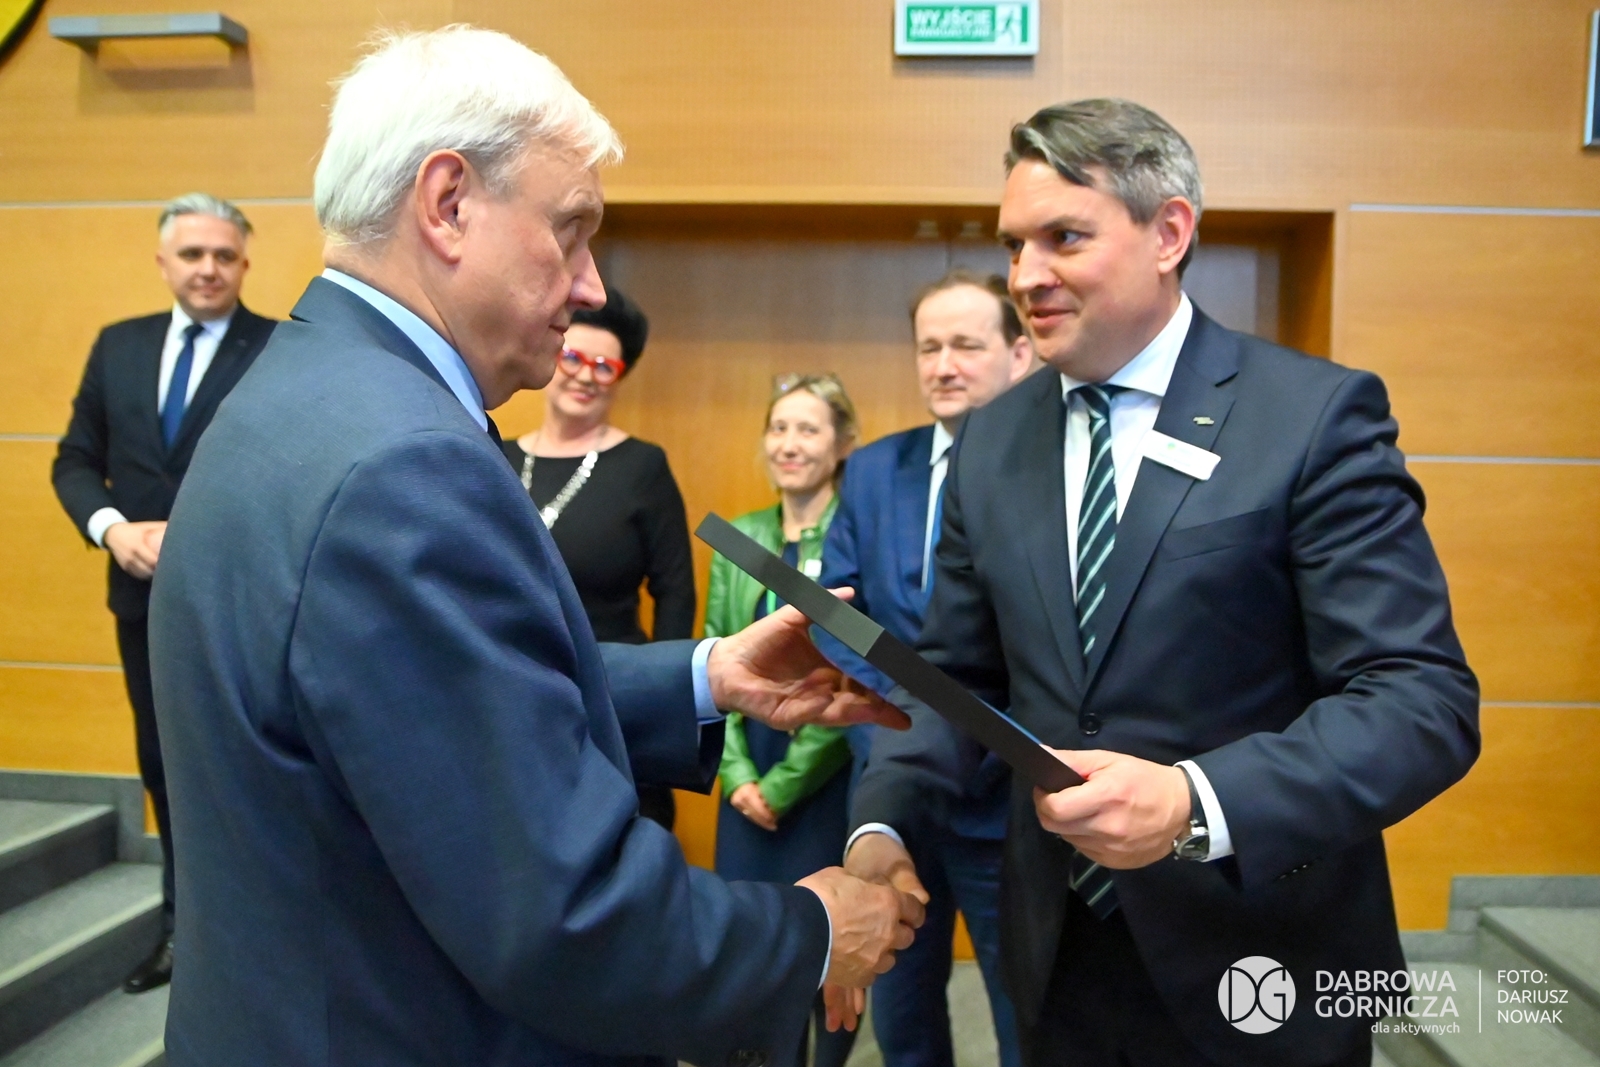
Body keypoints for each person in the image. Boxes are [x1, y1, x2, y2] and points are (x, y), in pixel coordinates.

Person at [146, 27, 921, 1067]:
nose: (591, 284)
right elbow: (569, 917)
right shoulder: (408, 464)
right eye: (571, 230)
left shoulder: (300, 391)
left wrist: (704, 675)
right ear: (448, 203)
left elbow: (412, 699)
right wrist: (815, 928)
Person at [843, 98, 1480, 1067]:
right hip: (1056, 958)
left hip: (1262, 950)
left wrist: (1195, 799)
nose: (1026, 275)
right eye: (1014, 244)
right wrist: (883, 821)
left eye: (1064, 238)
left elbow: (1420, 700)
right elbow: (957, 676)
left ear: (1169, 232)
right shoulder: (991, 441)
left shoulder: (1310, 417)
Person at [50, 192, 275, 994]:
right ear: (163, 261)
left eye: (223, 255)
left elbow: (292, 470)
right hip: (142, 603)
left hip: (244, 605)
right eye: (192, 254)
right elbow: (75, 460)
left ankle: (261, 938)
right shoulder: (120, 345)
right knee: (164, 765)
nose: (208, 268)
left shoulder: (278, 349)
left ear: (244, 263)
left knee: (250, 770)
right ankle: (184, 932)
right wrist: (114, 529)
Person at [818, 271, 1030, 1067]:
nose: (943, 365)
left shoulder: (1050, 474)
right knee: (902, 1013)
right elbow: (837, 609)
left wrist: (955, 714)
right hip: (892, 789)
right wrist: (910, 710)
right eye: (929, 347)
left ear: (1019, 353)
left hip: (1006, 798)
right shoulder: (875, 468)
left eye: (966, 345)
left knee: (1023, 1010)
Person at [707, 372, 861, 1067]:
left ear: (842, 443)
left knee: (831, 959)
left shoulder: (855, 535)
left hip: (825, 773)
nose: (789, 444)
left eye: (807, 429)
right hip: (746, 776)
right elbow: (713, 653)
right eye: (779, 428)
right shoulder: (741, 536)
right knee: (752, 958)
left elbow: (854, 678)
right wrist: (740, 777)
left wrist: (784, 785)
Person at [502, 282, 694, 827]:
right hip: (513, 694)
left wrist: (665, 697)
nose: (586, 376)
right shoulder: (498, 456)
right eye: (574, 358)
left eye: (604, 367)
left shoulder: (642, 466)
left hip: (612, 700)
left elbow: (676, 594)